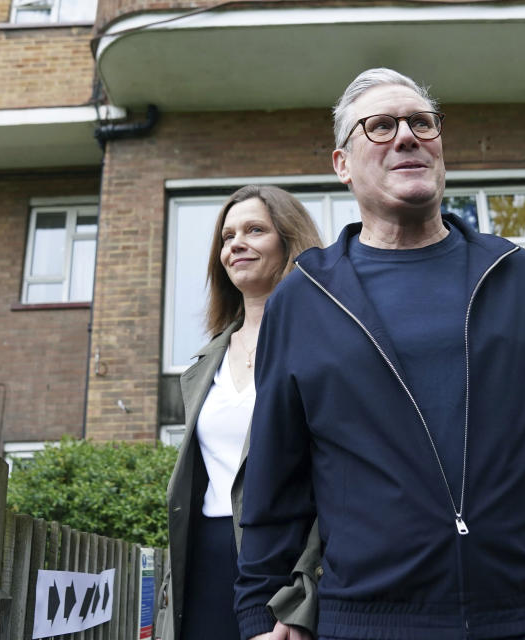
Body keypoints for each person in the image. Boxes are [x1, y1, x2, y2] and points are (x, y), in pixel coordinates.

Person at [234, 68, 525, 640]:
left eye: (421, 122)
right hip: (375, 622)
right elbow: (274, 481)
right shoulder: (305, 299)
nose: (407, 136)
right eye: (380, 126)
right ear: (342, 164)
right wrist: (260, 612)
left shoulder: (518, 275)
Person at [162, 185, 322, 640]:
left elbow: (341, 478)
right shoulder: (204, 363)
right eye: (227, 236)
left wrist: (304, 593)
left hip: (290, 565)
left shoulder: (322, 344)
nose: (236, 243)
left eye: (255, 230)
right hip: (206, 560)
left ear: (290, 242)